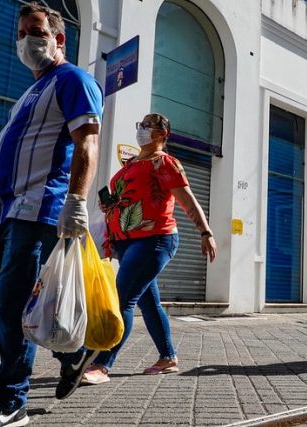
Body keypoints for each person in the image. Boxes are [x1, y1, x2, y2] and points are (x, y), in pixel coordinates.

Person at [0, 3, 103, 426]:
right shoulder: (34, 89)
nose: (25, 40)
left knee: (15, 303)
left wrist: (76, 200)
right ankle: (71, 352)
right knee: (4, 301)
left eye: (34, 31)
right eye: (20, 33)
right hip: (9, 213)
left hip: (39, 209)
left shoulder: (72, 79)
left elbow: (88, 141)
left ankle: (9, 400)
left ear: (59, 38)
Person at [78, 113, 217, 385]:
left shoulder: (164, 162)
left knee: (122, 300)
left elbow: (188, 200)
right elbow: (128, 197)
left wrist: (205, 231)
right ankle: (168, 358)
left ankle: (102, 364)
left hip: (154, 240)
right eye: (140, 124)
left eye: (148, 125)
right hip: (126, 243)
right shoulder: (130, 164)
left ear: (162, 135)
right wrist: (111, 205)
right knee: (149, 304)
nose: (141, 128)